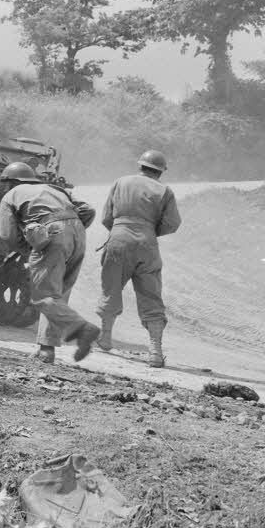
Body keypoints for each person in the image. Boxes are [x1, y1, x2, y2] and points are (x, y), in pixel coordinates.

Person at [0, 161, 101, 364]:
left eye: (6, 183)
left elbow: (7, 234)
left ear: (12, 182)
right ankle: (46, 350)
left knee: (43, 296)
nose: (5, 187)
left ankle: (82, 329)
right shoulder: (55, 188)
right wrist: (72, 231)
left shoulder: (10, 195)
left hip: (50, 234)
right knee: (57, 295)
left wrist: (29, 249)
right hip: (77, 233)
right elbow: (88, 210)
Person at [96, 150, 181, 367]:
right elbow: (172, 223)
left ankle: (105, 339)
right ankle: (155, 352)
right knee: (151, 296)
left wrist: (120, 231)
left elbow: (106, 216)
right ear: (161, 172)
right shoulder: (165, 191)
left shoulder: (120, 182)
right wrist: (148, 231)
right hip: (147, 243)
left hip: (118, 238)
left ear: (140, 166)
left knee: (111, 288)